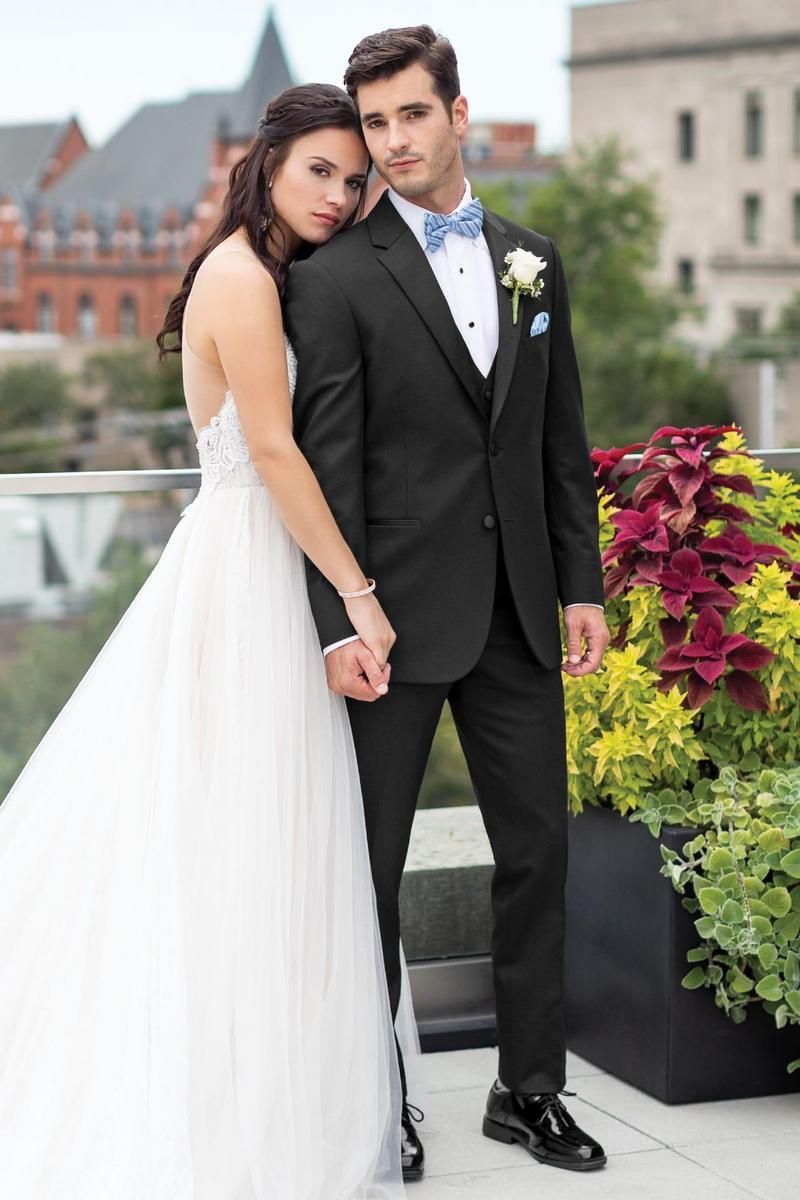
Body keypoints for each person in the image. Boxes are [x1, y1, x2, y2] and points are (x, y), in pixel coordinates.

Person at [0, 84, 406, 1199]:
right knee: (234, 825)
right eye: (317, 169)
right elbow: (275, 454)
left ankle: (259, 1074)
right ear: (265, 162)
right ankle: (217, 1093)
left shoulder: (266, 272)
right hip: (247, 567)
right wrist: (358, 596)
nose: (338, 192)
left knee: (255, 826)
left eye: (351, 175)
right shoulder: (237, 273)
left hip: (258, 561)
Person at [285, 27, 611, 1181]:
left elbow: (555, 441)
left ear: (456, 115)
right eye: (373, 124)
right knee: (366, 871)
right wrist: (337, 622)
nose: (391, 142)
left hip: (521, 609)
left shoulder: (533, 259)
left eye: (409, 116)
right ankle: (383, 1102)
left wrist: (580, 583)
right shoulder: (328, 282)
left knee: (537, 854)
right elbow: (323, 467)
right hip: (392, 623)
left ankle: (528, 1093)